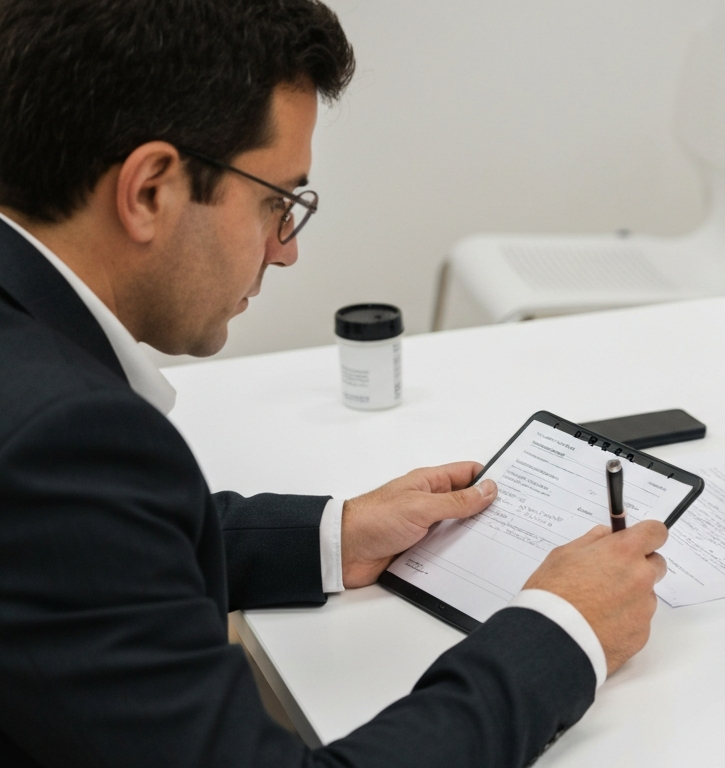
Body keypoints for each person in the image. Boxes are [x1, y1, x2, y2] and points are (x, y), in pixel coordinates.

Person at [0, 1, 668, 765]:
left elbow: (88, 553)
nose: (285, 253)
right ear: (151, 189)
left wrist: (334, 536)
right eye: (276, 202)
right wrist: (563, 629)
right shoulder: (60, 441)